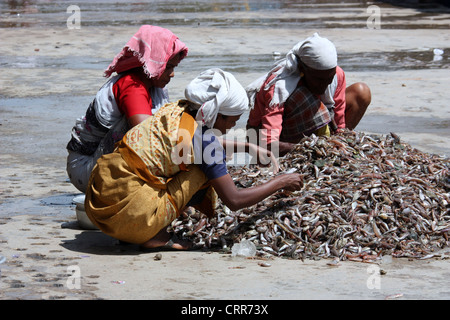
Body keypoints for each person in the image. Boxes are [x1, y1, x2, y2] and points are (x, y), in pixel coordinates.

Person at [84, 69, 303, 250]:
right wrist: (281, 181)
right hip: (127, 216)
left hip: (100, 203)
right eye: (231, 121)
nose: (232, 127)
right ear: (217, 114)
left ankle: (137, 229)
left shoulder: (176, 111)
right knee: (202, 171)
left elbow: (194, 144)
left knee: (202, 160)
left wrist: (247, 146)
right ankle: (154, 235)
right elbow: (234, 200)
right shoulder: (206, 142)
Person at [66, 25, 188, 193]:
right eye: (168, 67)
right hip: (86, 167)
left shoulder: (151, 86)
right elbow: (149, 135)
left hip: (100, 161)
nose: (172, 74)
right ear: (154, 62)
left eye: (174, 67)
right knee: (156, 133)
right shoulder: (132, 86)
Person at [246, 33, 371, 156]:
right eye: (319, 79)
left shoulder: (336, 75)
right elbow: (270, 144)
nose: (325, 84)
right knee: (305, 99)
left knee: (361, 92)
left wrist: (339, 143)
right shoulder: (279, 87)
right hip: (262, 138)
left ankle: (324, 147)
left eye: (329, 78)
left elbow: (339, 120)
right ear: (302, 69)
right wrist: (312, 147)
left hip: (310, 127)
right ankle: (310, 151)